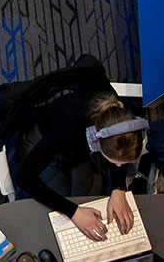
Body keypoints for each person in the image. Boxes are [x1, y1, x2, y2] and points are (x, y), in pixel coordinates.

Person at [12, 90, 148, 243]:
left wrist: (119, 188)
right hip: (45, 146)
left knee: (87, 201)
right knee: (56, 216)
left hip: (77, 151)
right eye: (114, 161)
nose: (118, 166)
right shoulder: (68, 127)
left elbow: (119, 150)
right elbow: (23, 177)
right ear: (95, 142)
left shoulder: (123, 119)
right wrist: (74, 212)